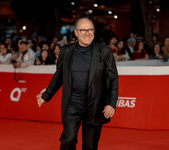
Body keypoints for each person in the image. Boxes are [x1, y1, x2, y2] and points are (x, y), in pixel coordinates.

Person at [37, 17, 118, 150]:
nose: (87, 33)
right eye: (83, 30)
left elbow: (112, 78)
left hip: (95, 105)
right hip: (72, 104)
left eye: (90, 29)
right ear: (76, 33)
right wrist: (45, 96)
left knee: (89, 145)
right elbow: (59, 76)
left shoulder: (104, 51)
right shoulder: (66, 51)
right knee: (67, 140)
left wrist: (111, 103)